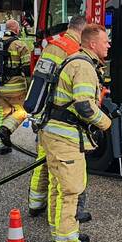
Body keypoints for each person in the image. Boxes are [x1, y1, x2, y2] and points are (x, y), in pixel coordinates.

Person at [40, 23, 114, 242]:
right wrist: (106, 124)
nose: (109, 45)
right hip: (65, 138)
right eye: (105, 41)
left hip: (55, 134)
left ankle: (61, 234)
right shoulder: (83, 66)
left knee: (58, 188)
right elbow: (84, 106)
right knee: (70, 191)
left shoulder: (75, 60)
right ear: (93, 44)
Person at [28, 14, 87, 219]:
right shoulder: (73, 51)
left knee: (42, 161)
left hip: (44, 113)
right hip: (61, 117)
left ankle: (35, 203)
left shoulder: (54, 44)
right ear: (82, 30)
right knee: (60, 173)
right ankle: (65, 219)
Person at [0, 19, 31, 155]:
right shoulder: (21, 45)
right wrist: (29, 90)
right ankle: (5, 130)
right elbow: (27, 70)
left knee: (2, 114)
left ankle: (2, 146)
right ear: (17, 30)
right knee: (21, 112)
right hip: (17, 89)